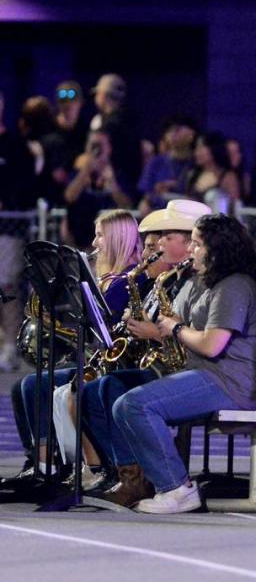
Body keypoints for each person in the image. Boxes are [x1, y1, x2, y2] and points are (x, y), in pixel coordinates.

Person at [113, 213, 256, 513]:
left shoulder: (235, 285)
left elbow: (212, 344)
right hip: (205, 374)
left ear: (217, 248)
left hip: (229, 383)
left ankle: (177, 488)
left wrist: (176, 329)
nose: (190, 250)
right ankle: (165, 485)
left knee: (136, 405)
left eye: (196, 244)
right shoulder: (204, 281)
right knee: (124, 404)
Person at [78, 200, 209, 506]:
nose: (157, 244)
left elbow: (204, 338)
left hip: (194, 370)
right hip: (170, 364)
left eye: (166, 237)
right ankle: (124, 473)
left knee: (121, 393)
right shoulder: (174, 278)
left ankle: (147, 479)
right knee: (96, 390)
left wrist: (155, 333)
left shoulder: (204, 280)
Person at [12, 210, 141, 482]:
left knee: (37, 385)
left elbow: (101, 328)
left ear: (118, 239)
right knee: (24, 385)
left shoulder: (126, 281)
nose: (94, 243)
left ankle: (83, 468)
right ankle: (41, 462)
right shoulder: (106, 279)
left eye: (100, 236)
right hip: (96, 360)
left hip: (114, 365)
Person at [0, 90, 37, 370]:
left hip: (7, 229)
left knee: (6, 286)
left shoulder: (15, 146)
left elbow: (26, 187)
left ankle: (10, 347)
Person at [63, 129, 134, 248]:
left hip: (112, 244)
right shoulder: (78, 173)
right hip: (81, 244)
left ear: (109, 148)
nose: (97, 150)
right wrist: (86, 171)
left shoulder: (118, 174)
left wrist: (112, 183)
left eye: (100, 145)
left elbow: (127, 204)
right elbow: (69, 197)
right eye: (93, 145)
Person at [137, 116, 198, 212]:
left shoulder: (198, 162)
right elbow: (147, 193)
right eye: (169, 131)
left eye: (177, 130)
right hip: (159, 212)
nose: (172, 134)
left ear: (192, 133)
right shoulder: (156, 162)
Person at [185, 131, 242, 212]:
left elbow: (235, 208)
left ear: (214, 149)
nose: (197, 152)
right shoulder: (192, 174)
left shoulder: (228, 176)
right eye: (196, 148)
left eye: (201, 147)